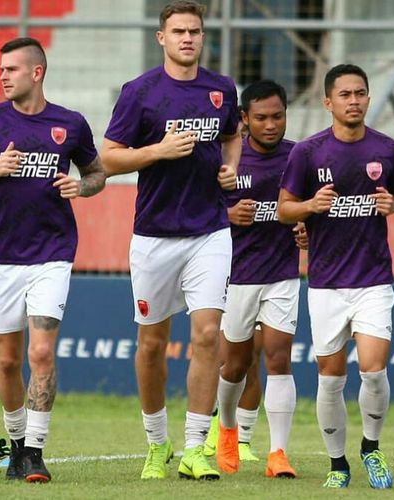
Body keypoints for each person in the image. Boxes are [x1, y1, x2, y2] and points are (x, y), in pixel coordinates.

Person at [0, 37, 106, 483]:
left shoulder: (69, 124)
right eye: (0, 69)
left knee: (41, 351)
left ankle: (35, 451)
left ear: (36, 73)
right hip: (0, 258)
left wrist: (83, 187)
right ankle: (15, 444)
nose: (2, 76)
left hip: (52, 254)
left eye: (11, 69)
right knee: (7, 360)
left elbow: (96, 174)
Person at [100, 0, 240, 481]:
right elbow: (108, 159)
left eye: (195, 31)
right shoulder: (139, 92)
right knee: (152, 343)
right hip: (154, 235)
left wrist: (232, 167)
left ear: (204, 37)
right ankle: (157, 444)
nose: (187, 38)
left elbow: (233, 135)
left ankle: (195, 448)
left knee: (206, 334)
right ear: (161, 37)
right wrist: (157, 151)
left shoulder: (222, 89)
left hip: (210, 231)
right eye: (178, 31)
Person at [278, 64, 394, 489]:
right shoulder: (309, 153)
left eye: (360, 93)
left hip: (372, 279)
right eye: (345, 94)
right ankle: (338, 464)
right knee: (330, 379)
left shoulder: (389, 150)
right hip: (326, 283)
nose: (354, 101)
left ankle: (370, 448)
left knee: (372, 369)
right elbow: (284, 209)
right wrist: (311, 206)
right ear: (327, 102)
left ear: (369, 98)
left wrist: (392, 204)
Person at [215, 79, 306, 478]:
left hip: (283, 274)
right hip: (236, 277)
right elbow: (200, 212)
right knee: (234, 365)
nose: (271, 124)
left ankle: (278, 453)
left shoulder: (300, 158)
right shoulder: (227, 162)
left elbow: (308, 209)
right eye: (262, 118)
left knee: (279, 358)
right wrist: (228, 216)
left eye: (278, 116)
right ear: (245, 119)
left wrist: (307, 229)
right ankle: (228, 429)